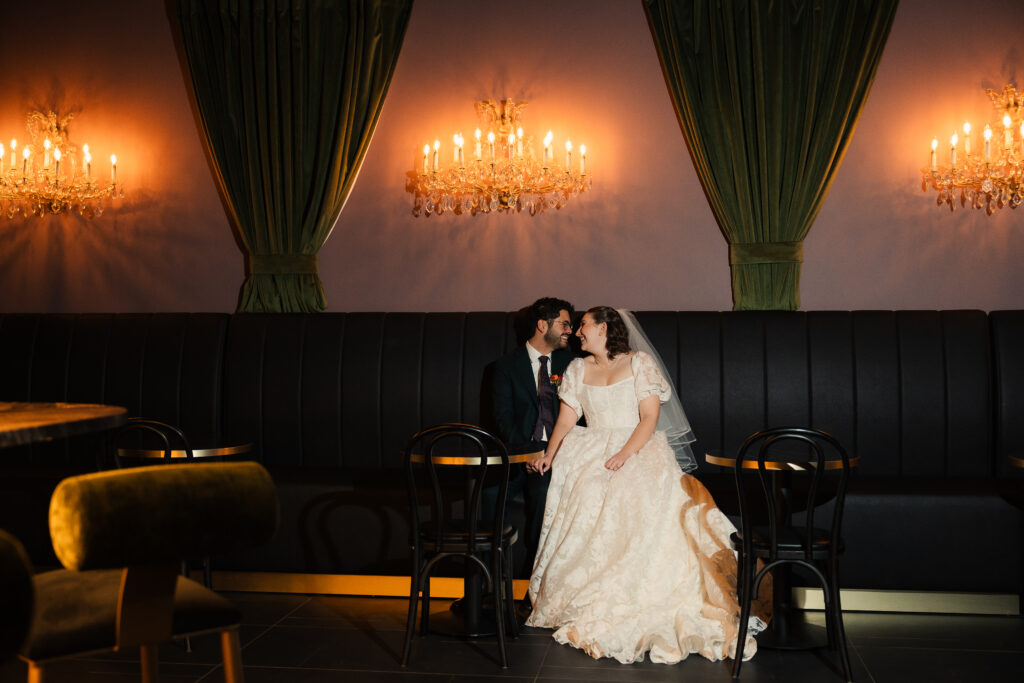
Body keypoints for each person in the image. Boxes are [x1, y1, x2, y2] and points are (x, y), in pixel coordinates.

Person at [525, 306, 765, 664]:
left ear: (604, 328)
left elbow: (650, 417)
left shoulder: (639, 363)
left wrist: (624, 455)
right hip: (590, 448)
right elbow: (565, 420)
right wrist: (549, 454)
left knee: (633, 496)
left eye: (584, 325)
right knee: (588, 495)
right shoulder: (576, 369)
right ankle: (592, 594)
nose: (577, 332)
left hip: (637, 446)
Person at [490, 297, 576, 572]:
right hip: (516, 454)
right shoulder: (504, 367)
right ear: (542, 325)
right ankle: (484, 583)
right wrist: (526, 453)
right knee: (488, 495)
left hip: (557, 455)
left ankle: (534, 579)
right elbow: (503, 419)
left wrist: (549, 454)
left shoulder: (572, 364)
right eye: (564, 324)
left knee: (544, 493)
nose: (569, 330)